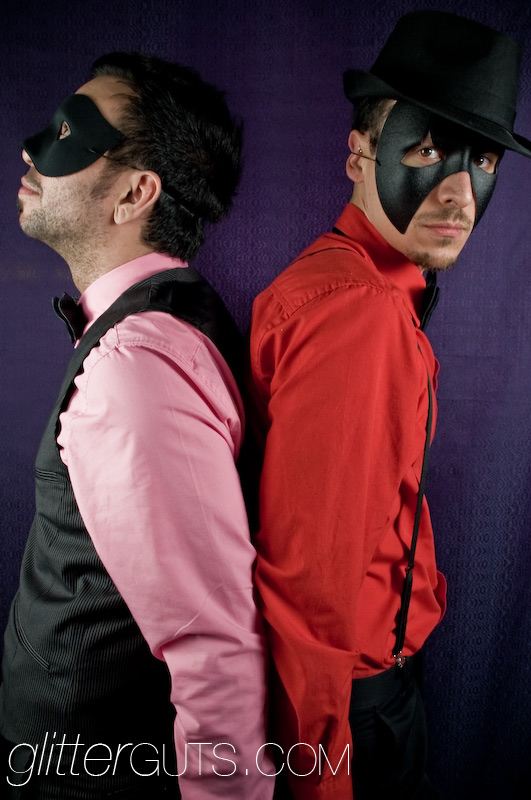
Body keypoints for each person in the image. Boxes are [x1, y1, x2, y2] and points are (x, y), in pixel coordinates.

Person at [246, 11, 531, 800]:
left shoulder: (359, 287)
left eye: (481, 161)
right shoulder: (358, 312)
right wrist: (321, 776)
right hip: (356, 714)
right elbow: (310, 595)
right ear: (357, 156)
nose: (458, 195)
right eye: (425, 150)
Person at [1, 52, 274, 799]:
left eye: (71, 131)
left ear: (133, 193)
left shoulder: (135, 365)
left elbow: (215, 646)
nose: (31, 148)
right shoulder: (154, 329)